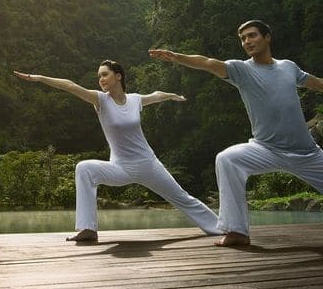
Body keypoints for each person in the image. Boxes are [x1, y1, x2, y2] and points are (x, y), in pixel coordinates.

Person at [149, 19, 323, 246]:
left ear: (267, 37)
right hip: (265, 148)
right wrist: (176, 57)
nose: (247, 42)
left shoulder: (288, 67)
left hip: (306, 152)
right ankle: (237, 231)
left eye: (252, 35)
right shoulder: (241, 70)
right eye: (243, 38)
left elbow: (316, 82)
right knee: (227, 158)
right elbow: (208, 62)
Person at [13, 60, 220, 242]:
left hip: (148, 164)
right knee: (84, 168)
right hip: (120, 167)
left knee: (182, 198)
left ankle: (221, 228)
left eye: (105, 74)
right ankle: (88, 229)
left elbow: (155, 96)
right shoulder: (100, 101)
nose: (101, 79)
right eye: (99, 76)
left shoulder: (135, 100)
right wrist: (39, 78)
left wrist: (171, 95)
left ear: (118, 76)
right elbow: (71, 86)